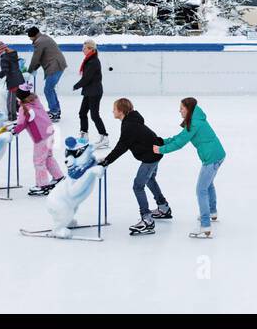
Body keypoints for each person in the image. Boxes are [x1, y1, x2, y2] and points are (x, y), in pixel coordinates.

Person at [153, 97, 226, 239]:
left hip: (212, 158)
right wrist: (163, 141)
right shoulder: (195, 120)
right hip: (217, 154)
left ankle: (205, 225)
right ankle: (212, 212)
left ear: (189, 109)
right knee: (208, 185)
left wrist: (160, 150)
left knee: (201, 190)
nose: (179, 110)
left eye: (182, 108)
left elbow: (179, 143)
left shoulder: (194, 123)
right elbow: (179, 137)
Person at [98, 97, 169, 235]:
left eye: (114, 109)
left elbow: (121, 147)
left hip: (151, 157)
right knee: (150, 180)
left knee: (138, 186)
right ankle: (163, 208)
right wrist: (107, 159)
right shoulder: (131, 121)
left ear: (121, 111)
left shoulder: (129, 125)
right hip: (154, 154)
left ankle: (147, 220)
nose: (113, 111)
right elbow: (124, 144)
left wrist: (107, 161)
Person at [11, 85, 64, 196]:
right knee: (48, 156)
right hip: (50, 132)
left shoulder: (24, 108)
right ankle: (59, 177)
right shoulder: (35, 101)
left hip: (41, 138)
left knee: (39, 161)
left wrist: (13, 131)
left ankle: (42, 185)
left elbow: (21, 124)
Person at [72, 39, 108, 149]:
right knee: (82, 113)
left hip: (95, 92)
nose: (82, 50)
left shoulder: (93, 61)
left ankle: (104, 137)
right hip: (89, 91)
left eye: (84, 48)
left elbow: (87, 78)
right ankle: (84, 135)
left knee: (94, 115)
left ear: (90, 49)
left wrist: (76, 85)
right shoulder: (89, 60)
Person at [25, 27, 66, 122]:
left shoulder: (39, 42)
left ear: (33, 35)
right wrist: (34, 69)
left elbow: (35, 58)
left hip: (54, 67)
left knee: (48, 89)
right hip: (58, 65)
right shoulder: (44, 38)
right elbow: (40, 58)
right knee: (50, 89)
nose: (30, 39)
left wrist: (30, 71)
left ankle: (54, 112)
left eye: (30, 37)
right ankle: (56, 110)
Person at [0, 40, 24, 119]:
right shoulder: (12, 54)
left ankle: (12, 117)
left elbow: (5, 71)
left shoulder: (4, 58)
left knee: (10, 100)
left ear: (1, 50)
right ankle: (20, 113)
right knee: (14, 99)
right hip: (18, 78)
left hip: (13, 80)